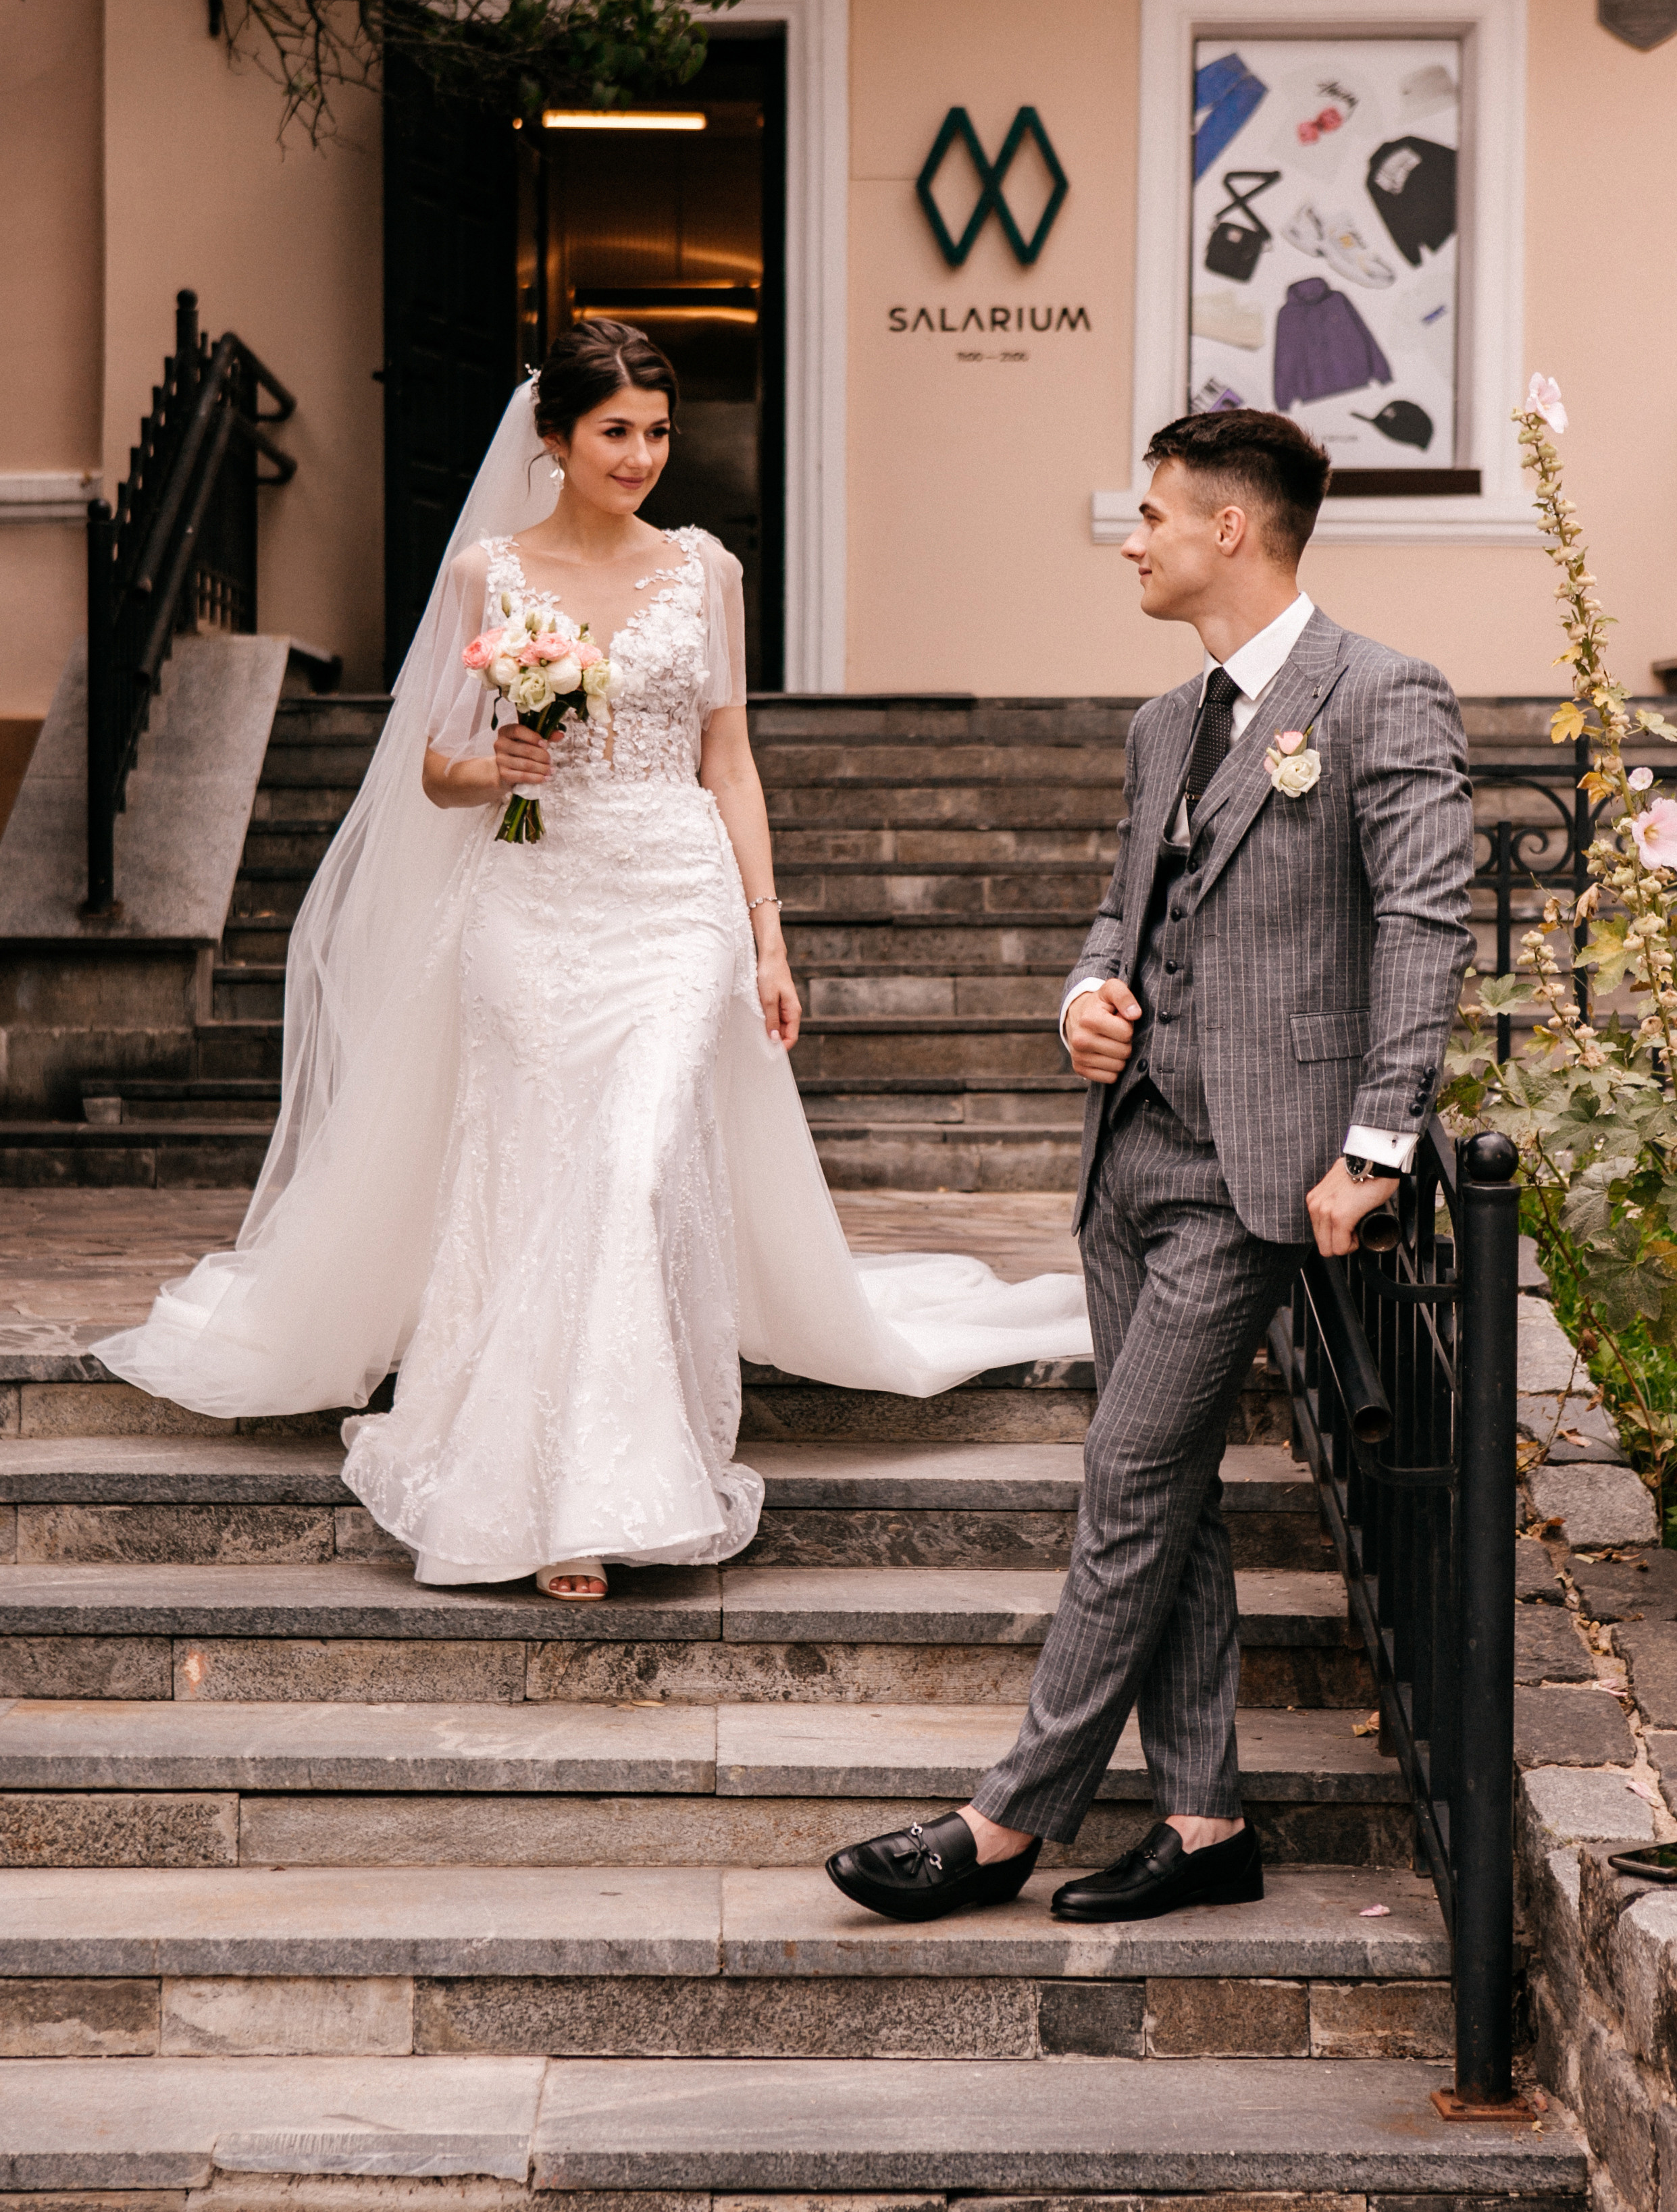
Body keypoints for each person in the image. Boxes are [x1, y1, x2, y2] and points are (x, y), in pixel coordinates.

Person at [96, 321, 1090, 1596]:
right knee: (536, 1168)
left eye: (659, 432)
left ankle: (616, 1480)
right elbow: (433, 770)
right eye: (616, 430)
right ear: (554, 438)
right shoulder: (487, 574)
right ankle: (532, 1480)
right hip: (530, 894)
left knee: (627, 1161)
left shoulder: (705, 572)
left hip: (675, 900)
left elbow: (727, 761)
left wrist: (767, 933)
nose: (641, 455)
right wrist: (495, 765)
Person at [826, 406, 1474, 1925]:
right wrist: (1084, 999)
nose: (1134, 536)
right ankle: (1203, 1819)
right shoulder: (1160, 723)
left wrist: (1378, 1141)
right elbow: (1120, 916)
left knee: (1124, 1470)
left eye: (1157, 515)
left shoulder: (1383, 694)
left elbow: (1430, 926)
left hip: (1263, 1171)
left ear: (1232, 529)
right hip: (1132, 1157)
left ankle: (1004, 1821)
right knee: (1165, 1486)